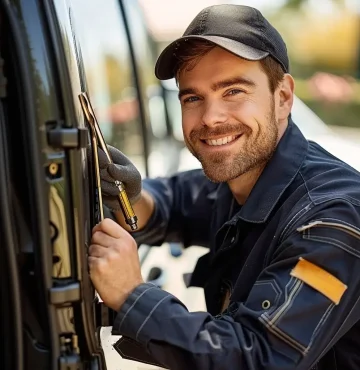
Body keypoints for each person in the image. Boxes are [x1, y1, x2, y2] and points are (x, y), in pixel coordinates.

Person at [88, 4, 360, 369]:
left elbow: (259, 358)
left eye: (232, 91)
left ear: (283, 98)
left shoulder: (332, 220)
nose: (211, 118)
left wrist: (130, 294)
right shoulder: (241, 174)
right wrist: (128, 195)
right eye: (193, 98)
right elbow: (175, 202)